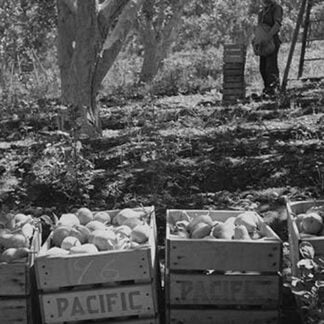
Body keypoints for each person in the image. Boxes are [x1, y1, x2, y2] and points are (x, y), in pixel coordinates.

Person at [257, 0, 283, 98]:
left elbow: (277, 24)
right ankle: (267, 88)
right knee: (262, 67)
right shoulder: (261, 12)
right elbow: (259, 28)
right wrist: (256, 40)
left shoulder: (276, 8)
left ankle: (274, 90)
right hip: (262, 42)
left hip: (272, 40)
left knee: (270, 66)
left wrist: (268, 37)